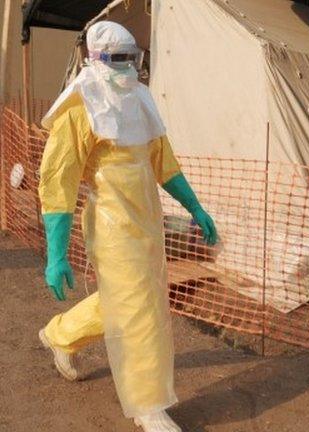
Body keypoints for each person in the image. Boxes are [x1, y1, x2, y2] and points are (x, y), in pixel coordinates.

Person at [36, 22, 217, 432]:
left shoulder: (140, 101)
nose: (127, 68)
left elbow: (163, 163)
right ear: (95, 59)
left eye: (132, 59)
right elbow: (58, 183)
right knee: (140, 308)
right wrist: (56, 254)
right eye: (118, 59)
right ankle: (147, 405)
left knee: (130, 298)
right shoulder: (80, 110)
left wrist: (196, 208)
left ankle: (60, 334)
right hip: (110, 223)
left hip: (146, 220)